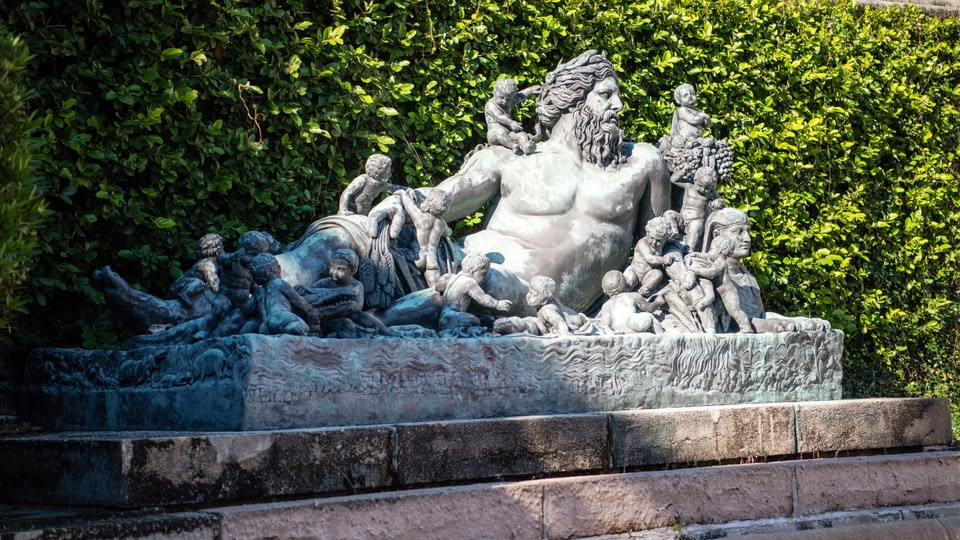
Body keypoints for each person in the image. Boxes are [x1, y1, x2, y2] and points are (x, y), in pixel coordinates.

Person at [278, 50, 671, 315]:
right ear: (572, 102)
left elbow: (663, 239)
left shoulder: (641, 163)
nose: (618, 107)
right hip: (453, 257)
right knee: (345, 236)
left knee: (467, 287)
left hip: (516, 290)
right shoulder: (510, 159)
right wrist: (401, 201)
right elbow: (439, 199)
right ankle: (246, 284)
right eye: (606, 95)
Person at [698, 208, 831, 333]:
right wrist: (770, 326)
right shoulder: (711, 275)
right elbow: (731, 322)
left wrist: (796, 321)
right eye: (739, 232)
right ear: (717, 235)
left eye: (748, 231)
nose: (747, 238)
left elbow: (760, 315)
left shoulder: (747, 277)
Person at [437, 253, 512, 332]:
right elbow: (482, 298)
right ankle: (471, 332)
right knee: (475, 320)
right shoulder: (469, 282)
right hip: (455, 317)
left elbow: (439, 287)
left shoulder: (454, 277)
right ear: (472, 271)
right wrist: (497, 304)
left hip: (443, 317)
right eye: (483, 274)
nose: (485, 278)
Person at [395, 188, 453, 287]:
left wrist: (403, 193)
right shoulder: (441, 223)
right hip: (432, 261)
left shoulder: (421, 218)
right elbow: (448, 233)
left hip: (417, 257)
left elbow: (410, 206)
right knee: (436, 292)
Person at [248, 253, 317, 336]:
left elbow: (248, 308)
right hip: (280, 316)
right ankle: (288, 333)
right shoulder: (278, 282)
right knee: (302, 326)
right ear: (278, 268)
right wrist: (310, 310)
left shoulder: (260, 291)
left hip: (266, 323)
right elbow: (298, 300)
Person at [623, 217, 682, 296]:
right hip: (635, 271)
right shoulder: (642, 243)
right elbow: (649, 258)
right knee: (626, 285)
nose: (654, 242)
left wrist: (674, 242)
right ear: (647, 233)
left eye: (659, 240)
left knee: (658, 274)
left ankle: (644, 289)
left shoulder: (663, 241)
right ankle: (620, 295)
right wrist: (663, 260)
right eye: (652, 238)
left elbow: (667, 240)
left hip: (648, 274)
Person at [674, 167, 725, 251]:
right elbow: (674, 180)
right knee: (669, 214)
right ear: (695, 180)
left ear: (712, 187)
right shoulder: (689, 186)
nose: (703, 190)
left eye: (707, 188)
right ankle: (674, 231)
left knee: (696, 229)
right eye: (700, 186)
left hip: (695, 222)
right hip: (682, 219)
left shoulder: (710, 194)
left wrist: (719, 201)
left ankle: (688, 251)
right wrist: (683, 171)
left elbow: (721, 201)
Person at [484, 78, 540, 155]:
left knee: (521, 134)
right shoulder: (491, 105)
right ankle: (513, 145)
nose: (504, 101)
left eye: (509, 99)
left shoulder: (508, 101)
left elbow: (520, 96)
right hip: (494, 134)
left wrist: (531, 90)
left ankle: (526, 146)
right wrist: (511, 123)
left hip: (509, 133)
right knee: (500, 132)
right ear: (494, 92)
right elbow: (499, 117)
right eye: (501, 97)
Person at [597, 270, 664, 334]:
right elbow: (650, 308)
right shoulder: (633, 296)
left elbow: (606, 323)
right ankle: (662, 336)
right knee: (650, 316)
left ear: (605, 291)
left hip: (619, 329)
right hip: (633, 323)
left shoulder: (606, 305)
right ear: (624, 284)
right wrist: (658, 302)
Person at [338, 154, 405, 216]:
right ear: (378, 171)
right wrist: (343, 210)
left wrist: (409, 190)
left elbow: (395, 188)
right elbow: (347, 193)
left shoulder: (381, 184)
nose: (390, 174)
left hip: (366, 214)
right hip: (351, 212)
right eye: (387, 172)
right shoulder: (363, 179)